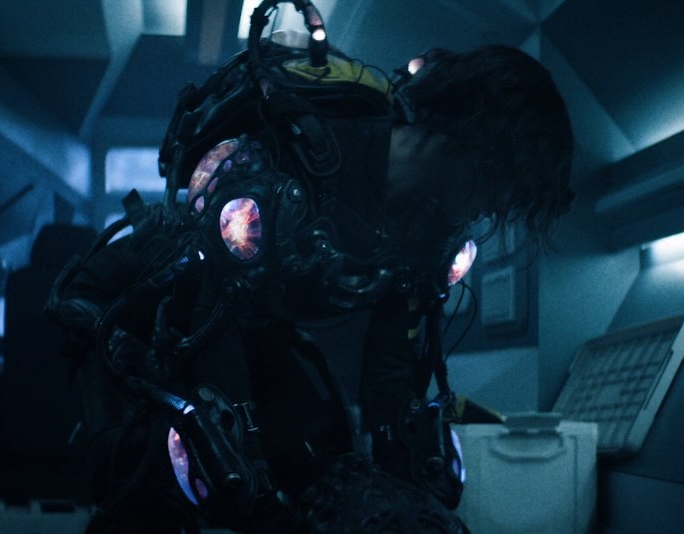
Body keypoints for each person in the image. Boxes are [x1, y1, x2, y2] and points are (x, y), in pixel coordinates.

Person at [49, 4, 573, 531]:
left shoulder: (428, 228)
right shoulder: (306, 148)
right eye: (497, 182)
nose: (490, 205)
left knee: (307, 457)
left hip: (254, 327)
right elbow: (213, 311)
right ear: (472, 137)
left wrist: (406, 471)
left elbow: (393, 365)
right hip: (146, 298)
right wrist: (239, 467)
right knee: (162, 482)